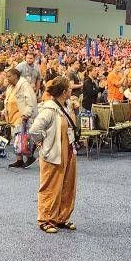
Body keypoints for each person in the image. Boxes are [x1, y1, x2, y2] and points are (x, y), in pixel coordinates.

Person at [28, 76, 78, 234]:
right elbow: (34, 130)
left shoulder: (66, 106)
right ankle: (45, 219)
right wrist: (42, 143)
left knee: (67, 185)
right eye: (69, 88)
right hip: (53, 153)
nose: (72, 90)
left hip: (68, 152)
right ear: (64, 92)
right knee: (50, 186)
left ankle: (61, 217)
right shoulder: (49, 109)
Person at [4, 66, 37, 169]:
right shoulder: (10, 87)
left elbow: (30, 100)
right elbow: (8, 100)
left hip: (22, 115)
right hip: (12, 116)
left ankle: (30, 157)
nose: (7, 78)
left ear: (15, 76)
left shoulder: (24, 85)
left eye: (9, 76)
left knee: (21, 137)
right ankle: (19, 160)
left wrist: (26, 114)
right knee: (18, 138)